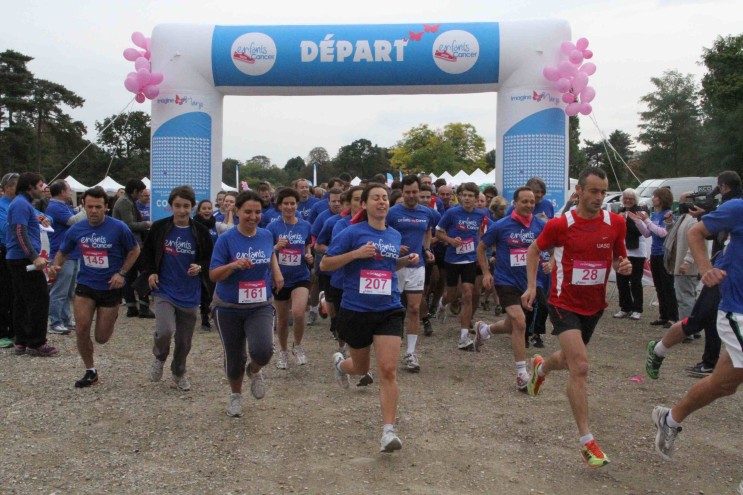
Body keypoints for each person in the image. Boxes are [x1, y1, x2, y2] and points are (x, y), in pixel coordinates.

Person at [521, 167, 632, 468]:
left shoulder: (617, 223)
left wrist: (623, 266)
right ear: (579, 191)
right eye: (593, 191)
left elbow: (619, 256)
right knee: (580, 365)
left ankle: (541, 367)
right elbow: (533, 251)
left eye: (603, 192)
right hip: (563, 301)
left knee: (569, 359)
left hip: (594, 304)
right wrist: (532, 286)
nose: (599, 197)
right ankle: (587, 442)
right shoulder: (561, 224)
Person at [321, 183, 418, 452]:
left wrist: (405, 260)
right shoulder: (352, 232)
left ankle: (388, 431)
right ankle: (342, 365)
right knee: (362, 369)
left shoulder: (394, 235)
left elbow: (386, 266)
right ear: (364, 205)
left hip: (388, 308)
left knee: (388, 369)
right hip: (356, 309)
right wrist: (355, 254)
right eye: (375, 198)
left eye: (385, 198)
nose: (382, 202)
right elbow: (325, 264)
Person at [651, 195, 743, 466]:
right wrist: (705, 268)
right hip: (737, 310)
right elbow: (696, 231)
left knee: (723, 384)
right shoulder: (738, 207)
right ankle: (659, 349)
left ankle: (670, 418)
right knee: (693, 321)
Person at [49, 186, 140, 387]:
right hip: (86, 285)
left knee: (101, 338)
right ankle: (90, 370)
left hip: (109, 287)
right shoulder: (77, 229)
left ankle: (112, 316)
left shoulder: (118, 228)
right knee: (81, 329)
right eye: (89, 206)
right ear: (83, 206)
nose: (93, 211)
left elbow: (134, 250)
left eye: (98, 207)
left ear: (106, 207)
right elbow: (63, 252)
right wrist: (56, 266)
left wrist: (121, 273)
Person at [209, 190, 283, 418]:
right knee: (234, 355)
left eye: (258, 212)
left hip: (260, 303)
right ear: (237, 211)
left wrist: (277, 272)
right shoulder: (226, 239)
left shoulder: (266, 234)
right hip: (228, 306)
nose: (253, 216)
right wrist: (233, 266)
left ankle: (254, 370)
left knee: (263, 351)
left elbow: (269, 254)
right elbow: (213, 275)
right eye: (248, 212)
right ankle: (235, 396)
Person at [141, 186, 213, 391]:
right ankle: (160, 357)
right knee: (165, 330)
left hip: (190, 293)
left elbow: (210, 258)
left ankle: (179, 371)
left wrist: (200, 266)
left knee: (184, 341)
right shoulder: (160, 228)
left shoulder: (200, 231)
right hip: (164, 289)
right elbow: (147, 253)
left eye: (186, 206)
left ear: (193, 207)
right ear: (170, 206)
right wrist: (151, 272)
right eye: (177, 206)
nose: (181, 210)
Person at [475, 186, 548, 390]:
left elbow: (552, 248)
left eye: (532, 202)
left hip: (531, 283)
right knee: (519, 321)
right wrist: (487, 273)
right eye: (524, 201)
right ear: (515, 203)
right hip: (506, 280)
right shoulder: (501, 226)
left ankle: (485, 329)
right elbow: (481, 247)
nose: (529, 205)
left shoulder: (540, 225)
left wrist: (552, 262)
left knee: (513, 323)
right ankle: (521, 374)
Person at [387, 175, 436, 372]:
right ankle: (391, 347)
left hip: (417, 266)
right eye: (407, 192)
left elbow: (429, 231)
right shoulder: (392, 212)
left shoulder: (427, 213)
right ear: (402, 192)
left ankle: (411, 352)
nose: (411, 195)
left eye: (414, 192)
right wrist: (395, 247)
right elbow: (383, 232)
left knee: (415, 309)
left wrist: (427, 248)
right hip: (396, 265)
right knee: (394, 309)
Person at [5, 172, 57, 356]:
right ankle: (36, 343)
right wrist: (34, 256)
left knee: (22, 300)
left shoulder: (23, 204)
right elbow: (19, 232)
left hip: (18, 258)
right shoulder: (20, 204)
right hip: (23, 259)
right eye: (40, 185)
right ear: (30, 187)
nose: (44, 188)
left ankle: (22, 341)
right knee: (39, 298)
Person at [435, 182, 489, 350]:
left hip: (469, 260)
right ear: (459, 196)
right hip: (452, 259)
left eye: (470, 196)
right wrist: (451, 241)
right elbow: (438, 232)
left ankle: (463, 337)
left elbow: (484, 233)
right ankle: (443, 303)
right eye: (464, 195)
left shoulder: (481, 215)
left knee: (467, 294)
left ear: (475, 198)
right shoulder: (452, 213)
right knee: (452, 294)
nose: (466, 198)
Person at [266, 188, 314, 369]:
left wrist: (309, 256)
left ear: (297, 205)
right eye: (285, 203)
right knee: (283, 319)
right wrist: (276, 247)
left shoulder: (305, 225)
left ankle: (298, 346)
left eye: (292, 203)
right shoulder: (272, 227)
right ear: (279, 206)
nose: (289, 206)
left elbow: (308, 245)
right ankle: (283, 351)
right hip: (280, 277)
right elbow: (265, 251)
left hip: (300, 275)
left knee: (300, 312)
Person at [629, 187, 677, 327]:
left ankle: (673, 317)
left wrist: (647, 220)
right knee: (659, 286)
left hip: (665, 254)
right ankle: (663, 315)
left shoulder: (668, 214)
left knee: (668, 287)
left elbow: (663, 233)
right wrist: (638, 221)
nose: (653, 199)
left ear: (662, 199)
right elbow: (647, 233)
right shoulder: (656, 215)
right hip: (655, 254)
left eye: (655, 196)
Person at [46, 179, 87, 334]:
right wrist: (85, 210)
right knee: (60, 290)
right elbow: (72, 221)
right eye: (69, 189)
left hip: (73, 252)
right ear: (62, 192)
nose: (70, 192)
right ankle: (55, 322)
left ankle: (65, 319)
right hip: (62, 253)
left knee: (69, 291)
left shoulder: (63, 206)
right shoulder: (55, 207)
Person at [112, 179, 153, 318]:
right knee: (144, 273)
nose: (141, 195)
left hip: (129, 244)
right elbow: (129, 224)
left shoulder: (128, 201)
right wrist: (147, 224)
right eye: (140, 192)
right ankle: (143, 307)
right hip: (131, 245)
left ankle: (132, 307)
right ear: (134, 191)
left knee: (129, 276)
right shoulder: (125, 202)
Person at [613, 188, 648, 320]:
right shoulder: (620, 212)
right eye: (626, 198)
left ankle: (637, 308)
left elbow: (639, 231)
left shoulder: (641, 212)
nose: (628, 200)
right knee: (621, 281)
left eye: (631, 199)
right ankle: (625, 307)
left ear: (635, 200)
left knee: (635, 281)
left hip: (637, 252)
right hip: (622, 250)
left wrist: (626, 220)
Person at [0, 172, 20, 348]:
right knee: (4, 293)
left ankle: (15, 329)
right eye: (16, 186)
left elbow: (44, 216)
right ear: (7, 188)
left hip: (17, 254)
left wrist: (43, 218)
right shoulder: (2, 206)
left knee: (16, 293)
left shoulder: (21, 204)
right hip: (4, 252)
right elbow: (6, 229)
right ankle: (2, 332)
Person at [193, 199, 218, 332]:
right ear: (199, 211)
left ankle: (212, 315)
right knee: (203, 291)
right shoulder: (194, 225)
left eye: (209, 208)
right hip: (199, 261)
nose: (207, 210)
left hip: (213, 263)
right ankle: (204, 320)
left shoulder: (215, 225)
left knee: (211, 292)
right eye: (204, 208)